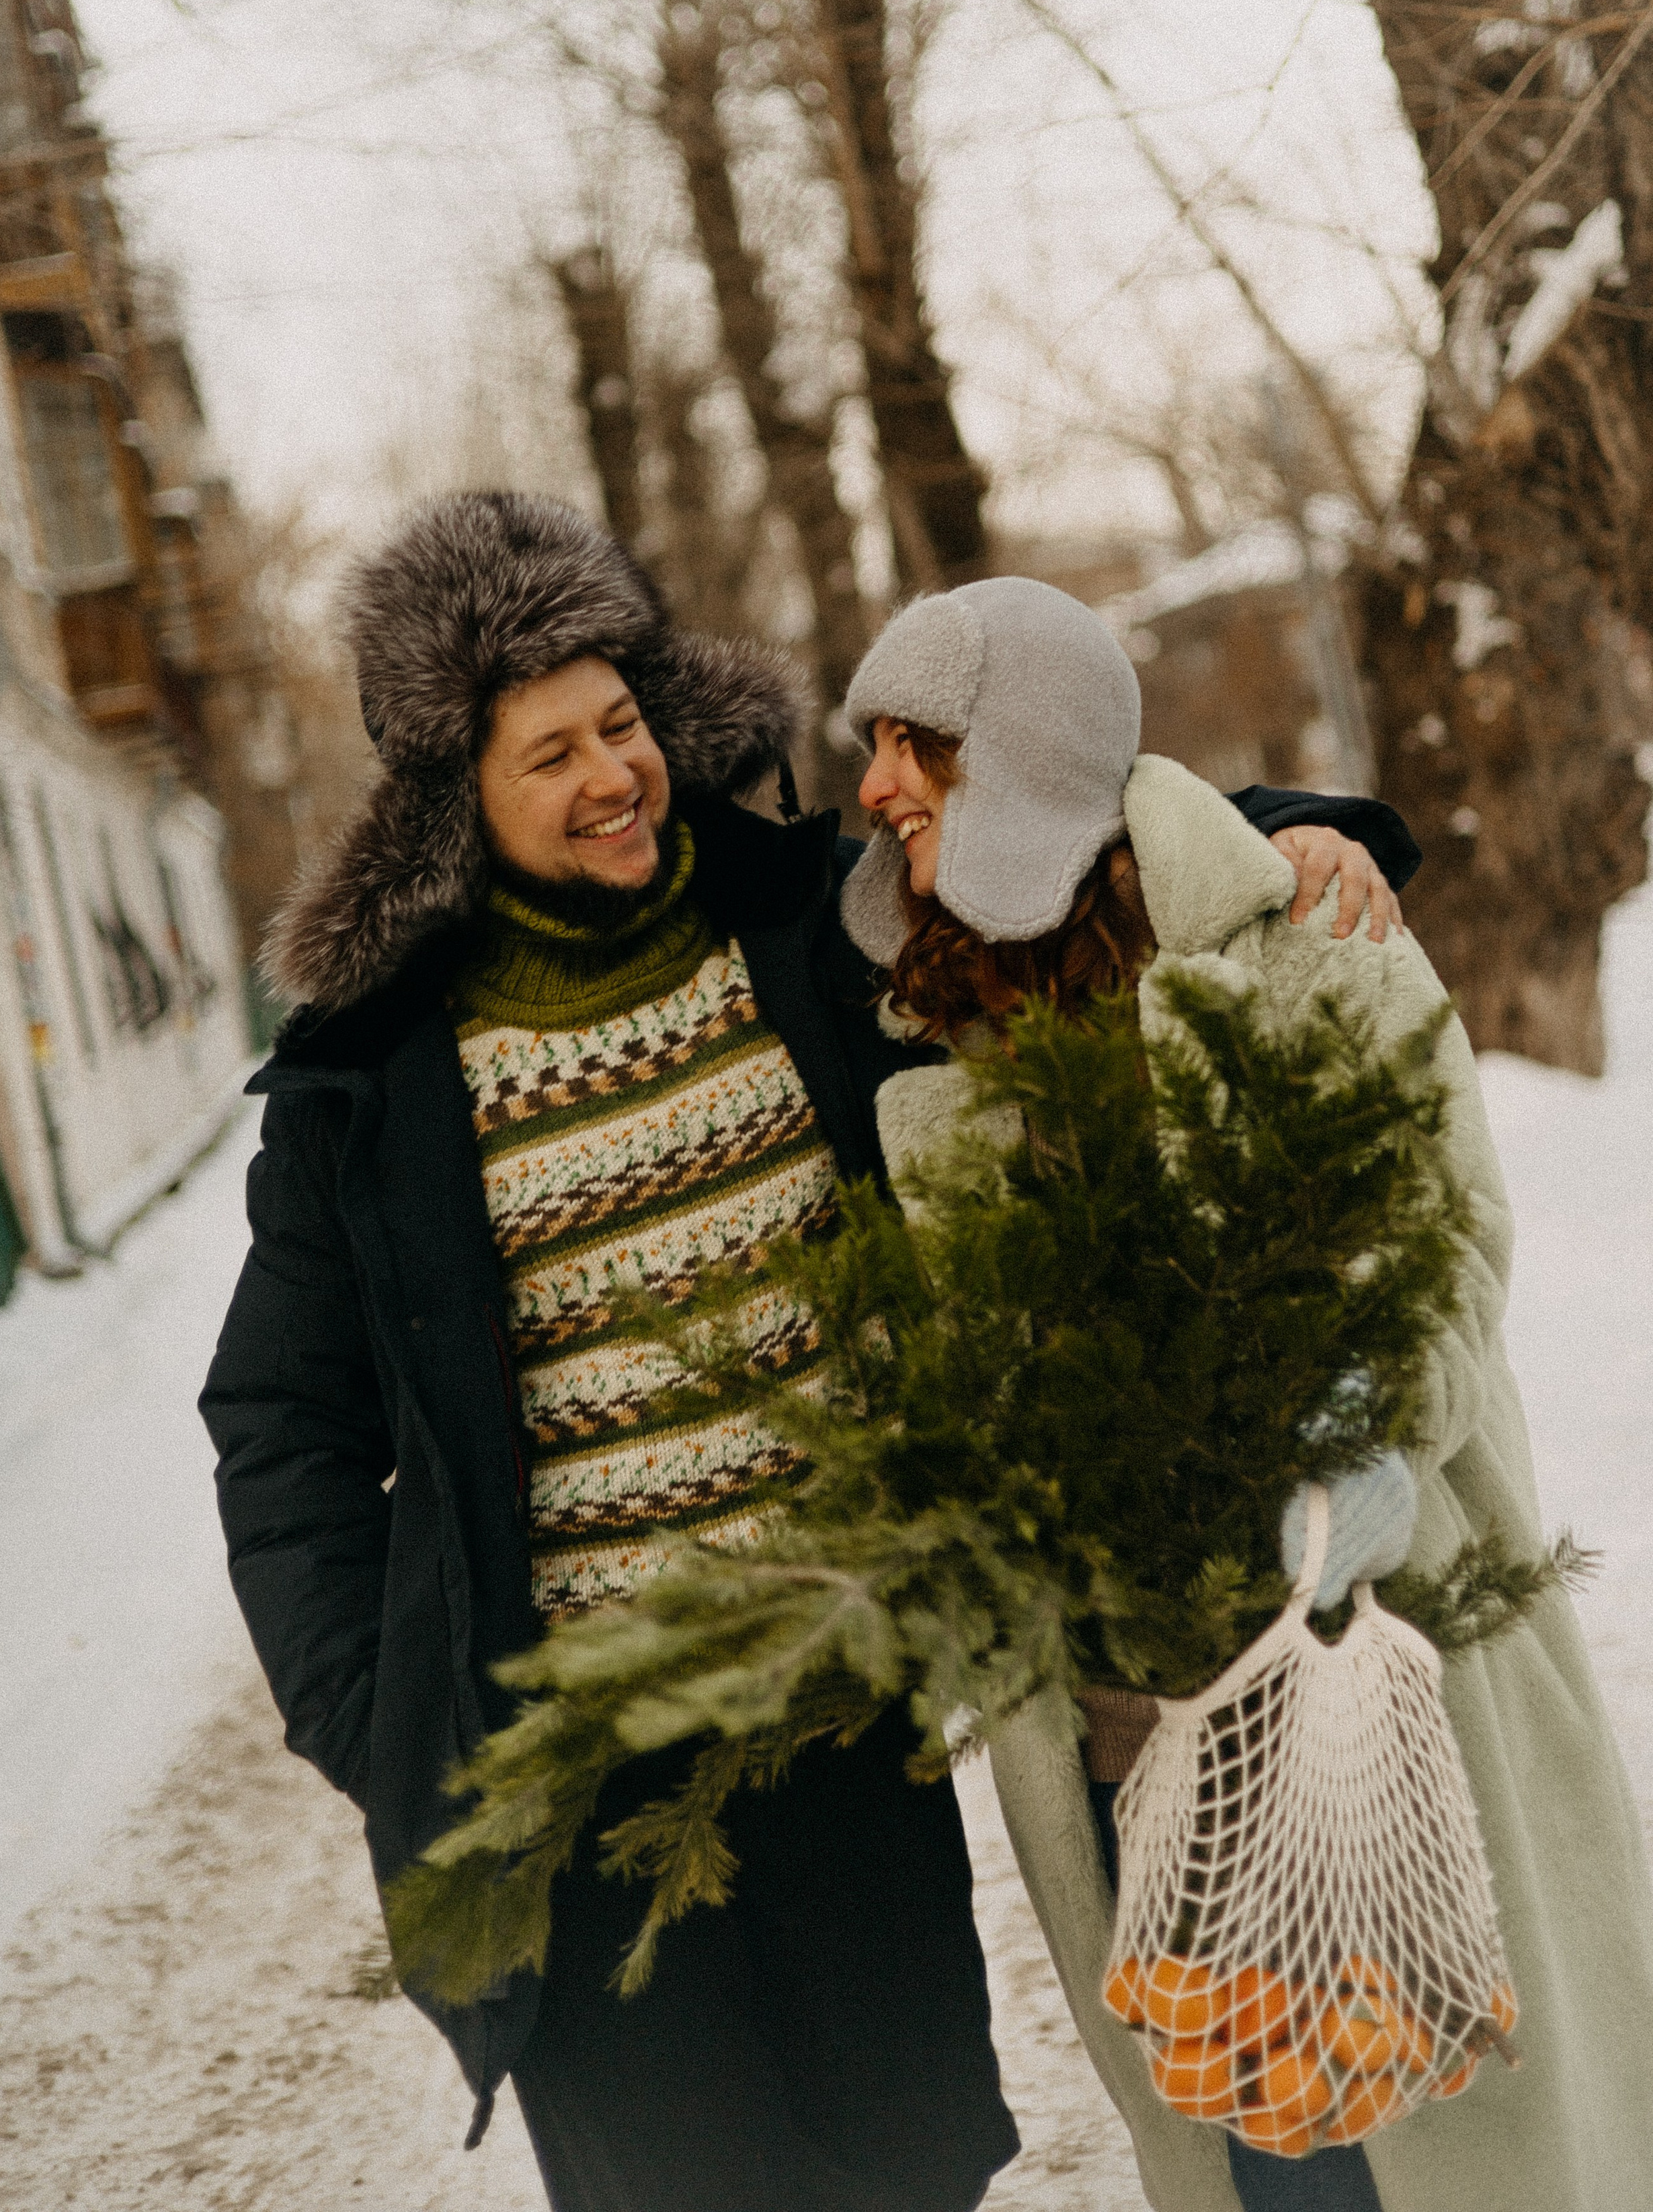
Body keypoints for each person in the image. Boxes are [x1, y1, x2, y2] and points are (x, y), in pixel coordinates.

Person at [200, 495, 1410, 2209]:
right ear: (452, 795)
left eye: (618, 723)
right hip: (581, 1769)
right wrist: (379, 1715)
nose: (607, 775)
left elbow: (1037, 835)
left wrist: (1285, 830)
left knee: (907, 2156)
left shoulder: (799, 919)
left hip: (847, 1720)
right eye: (546, 755)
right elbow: (278, 1427)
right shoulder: (378, 1065)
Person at [840, 573, 1653, 2212]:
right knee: (1276, 2181)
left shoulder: (1309, 941)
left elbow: (1444, 1253)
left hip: (1380, 1706)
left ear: (1026, 762)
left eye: (912, 744)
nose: (870, 786)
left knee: (1463, 2163)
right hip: (1146, 1774)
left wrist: (1349, 1417)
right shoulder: (942, 1053)